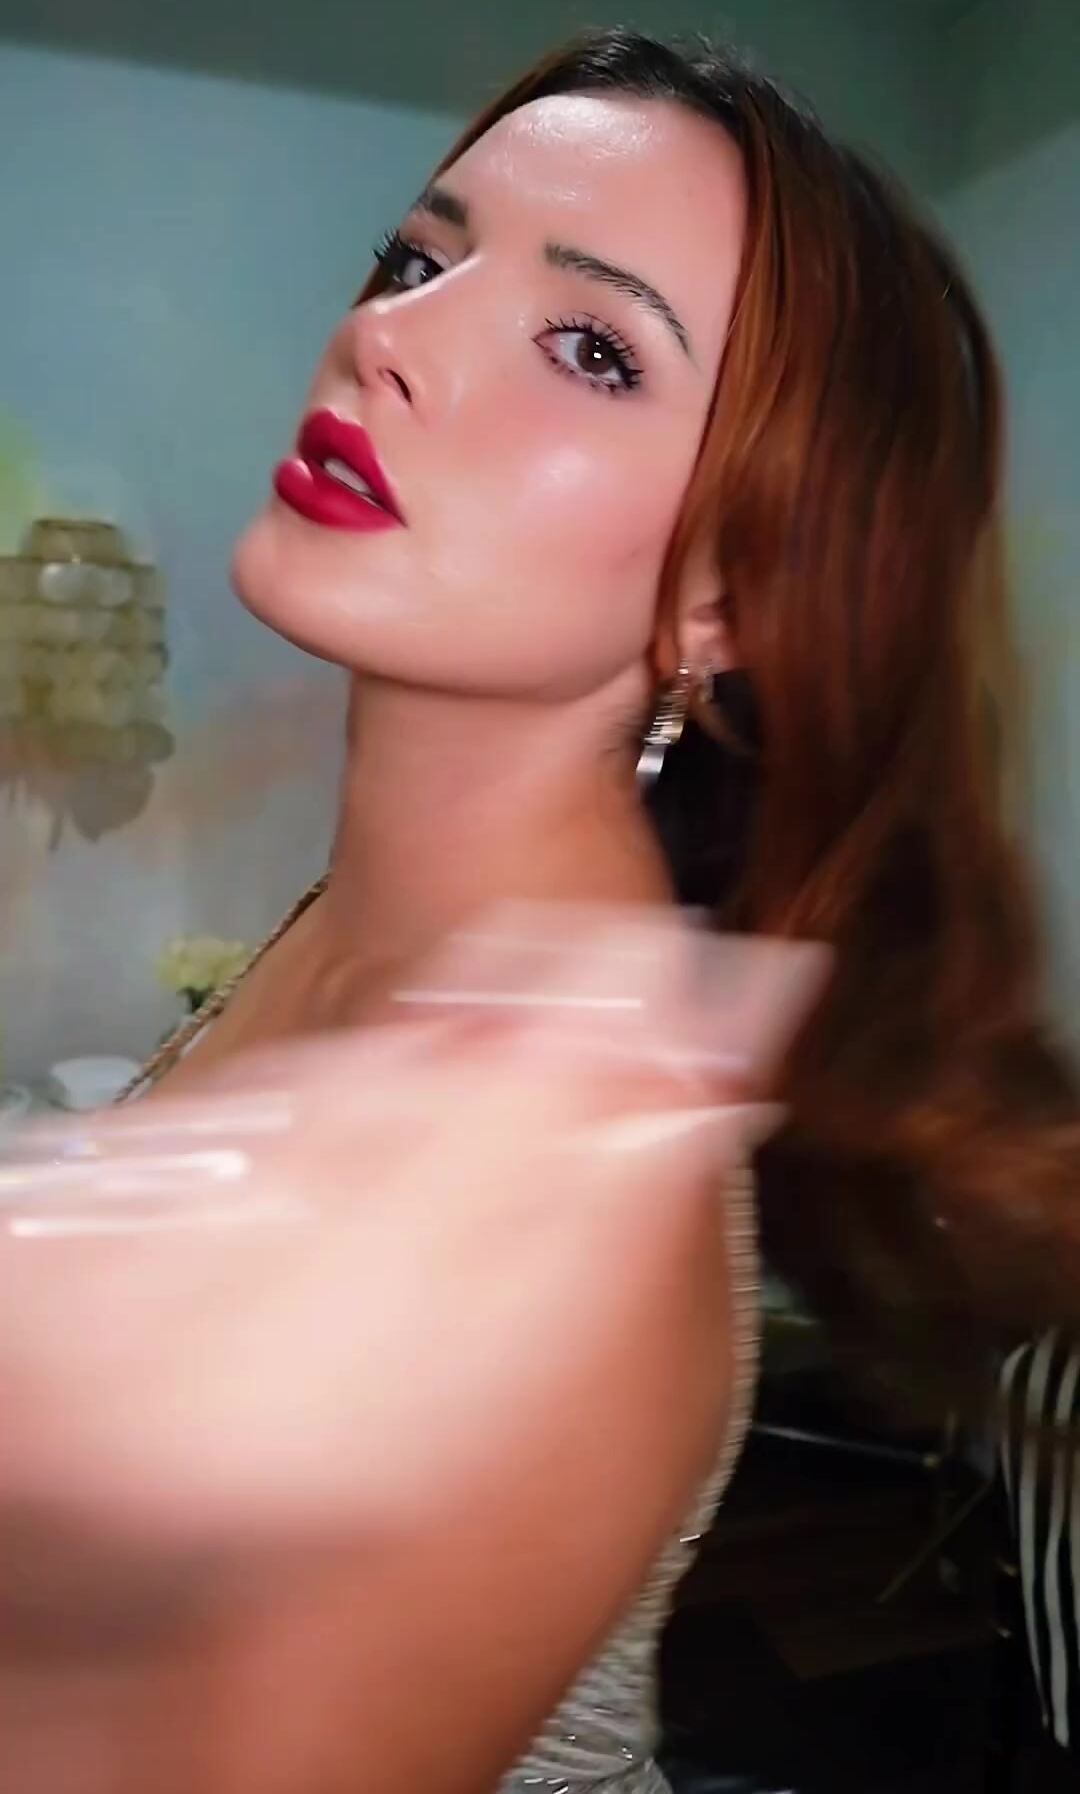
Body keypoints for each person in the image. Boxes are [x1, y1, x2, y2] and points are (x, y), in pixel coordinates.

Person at [7, 22, 1080, 1794]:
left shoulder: (569, 1206)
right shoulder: (383, 919)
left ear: (734, 589)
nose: (389, 334)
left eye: (591, 347)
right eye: (415, 259)